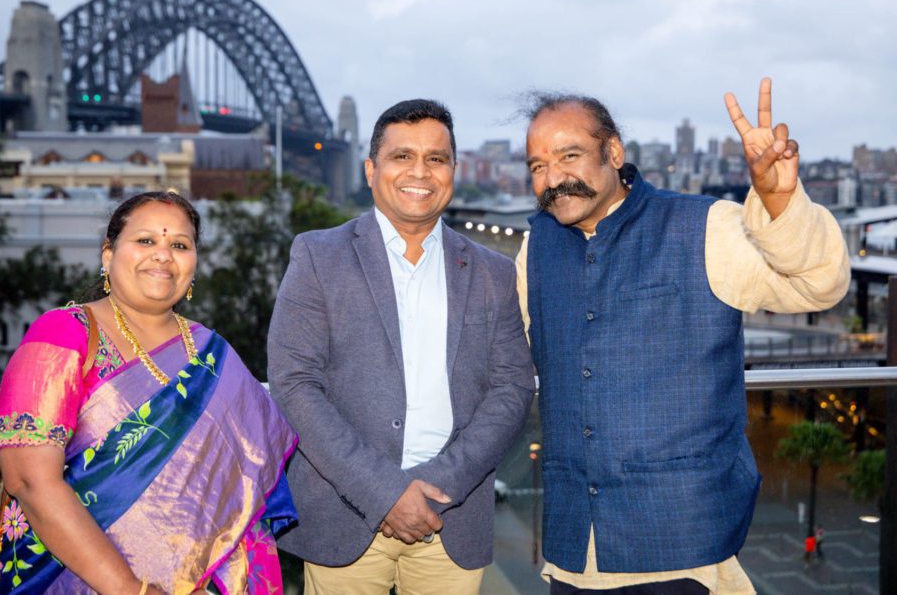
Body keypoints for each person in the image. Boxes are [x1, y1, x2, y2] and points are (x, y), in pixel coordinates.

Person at [516, 79, 850, 594]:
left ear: (614, 151)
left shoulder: (706, 226)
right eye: (538, 166)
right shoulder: (535, 249)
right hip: (574, 552)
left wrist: (781, 204)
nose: (553, 178)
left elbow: (818, 285)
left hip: (683, 548)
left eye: (569, 155)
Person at [268, 99, 535, 594]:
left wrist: (435, 490)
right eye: (401, 156)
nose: (420, 172)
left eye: (436, 158)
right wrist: (385, 492)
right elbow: (294, 384)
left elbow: (512, 389)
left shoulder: (494, 272)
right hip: (345, 514)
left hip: (449, 518)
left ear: (453, 170)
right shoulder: (318, 256)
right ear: (372, 170)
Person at [0, 191, 297, 595]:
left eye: (180, 245)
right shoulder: (65, 333)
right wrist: (129, 589)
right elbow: (29, 480)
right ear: (108, 254)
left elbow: (246, 500)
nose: (164, 256)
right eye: (146, 240)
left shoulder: (212, 351)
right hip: (77, 579)